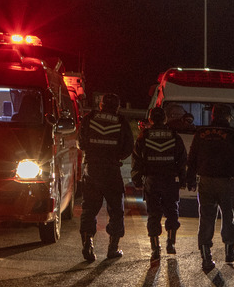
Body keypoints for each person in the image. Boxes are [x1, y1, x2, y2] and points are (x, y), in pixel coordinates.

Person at [186, 104, 234, 272]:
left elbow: (192, 158)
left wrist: (190, 179)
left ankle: (206, 257)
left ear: (213, 116)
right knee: (228, 215)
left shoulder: (201, 133)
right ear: (228, 116)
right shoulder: (233, 134)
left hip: (205, 181)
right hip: (226, 181)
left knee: (206, 217)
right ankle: (229, 251)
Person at [78, 93, 134, 261]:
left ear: (101, 105)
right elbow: (129, 146)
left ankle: (88, 244)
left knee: (89, 209)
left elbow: (81, 142)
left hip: (92, 170)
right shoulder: (121, 121)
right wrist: (116, 157)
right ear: (117, 106)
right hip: (111, 171)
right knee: (116, 210)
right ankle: (113, 248)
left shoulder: (89, 118)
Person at [131, 107, 187, 262]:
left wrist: (137, 180)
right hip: (170, 181)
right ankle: (171, 243)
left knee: (154, 214)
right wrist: (183, 180)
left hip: (152, 181)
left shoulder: (144, 136)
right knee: (171, 212)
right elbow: (182, 160)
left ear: (150, 119)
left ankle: (155, 248)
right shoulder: (174, 136)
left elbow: (136, 160)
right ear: (165, 119)